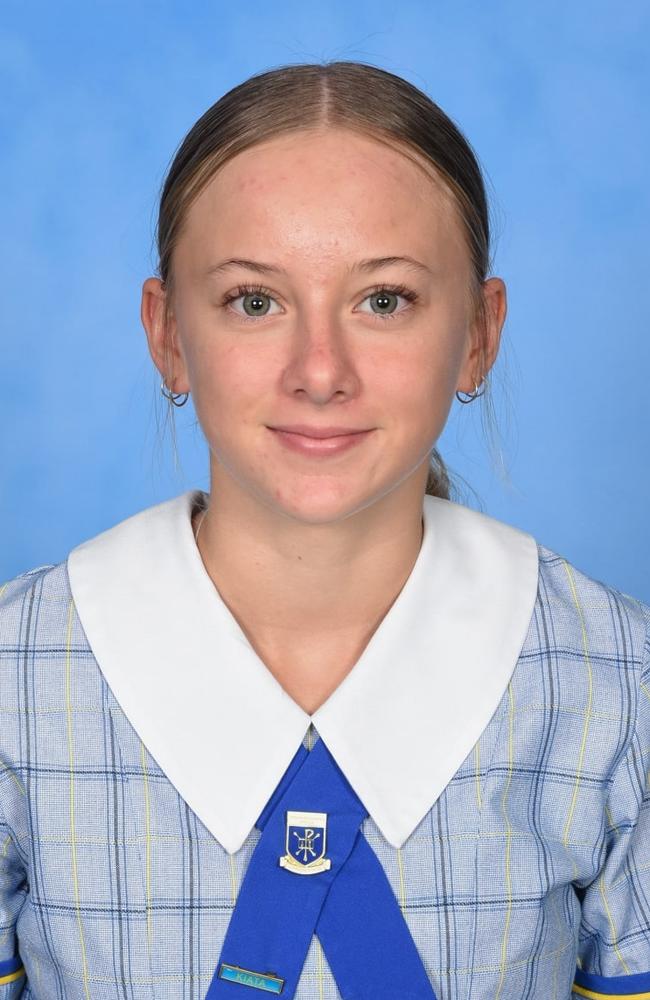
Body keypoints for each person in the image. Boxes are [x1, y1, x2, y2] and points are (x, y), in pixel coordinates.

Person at [0, 61, 648, 1000]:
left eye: (384, 300)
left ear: (478, 332)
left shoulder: (618, 690)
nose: (319, 371)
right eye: (253, 301)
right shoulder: (15, 679)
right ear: (168, 335)